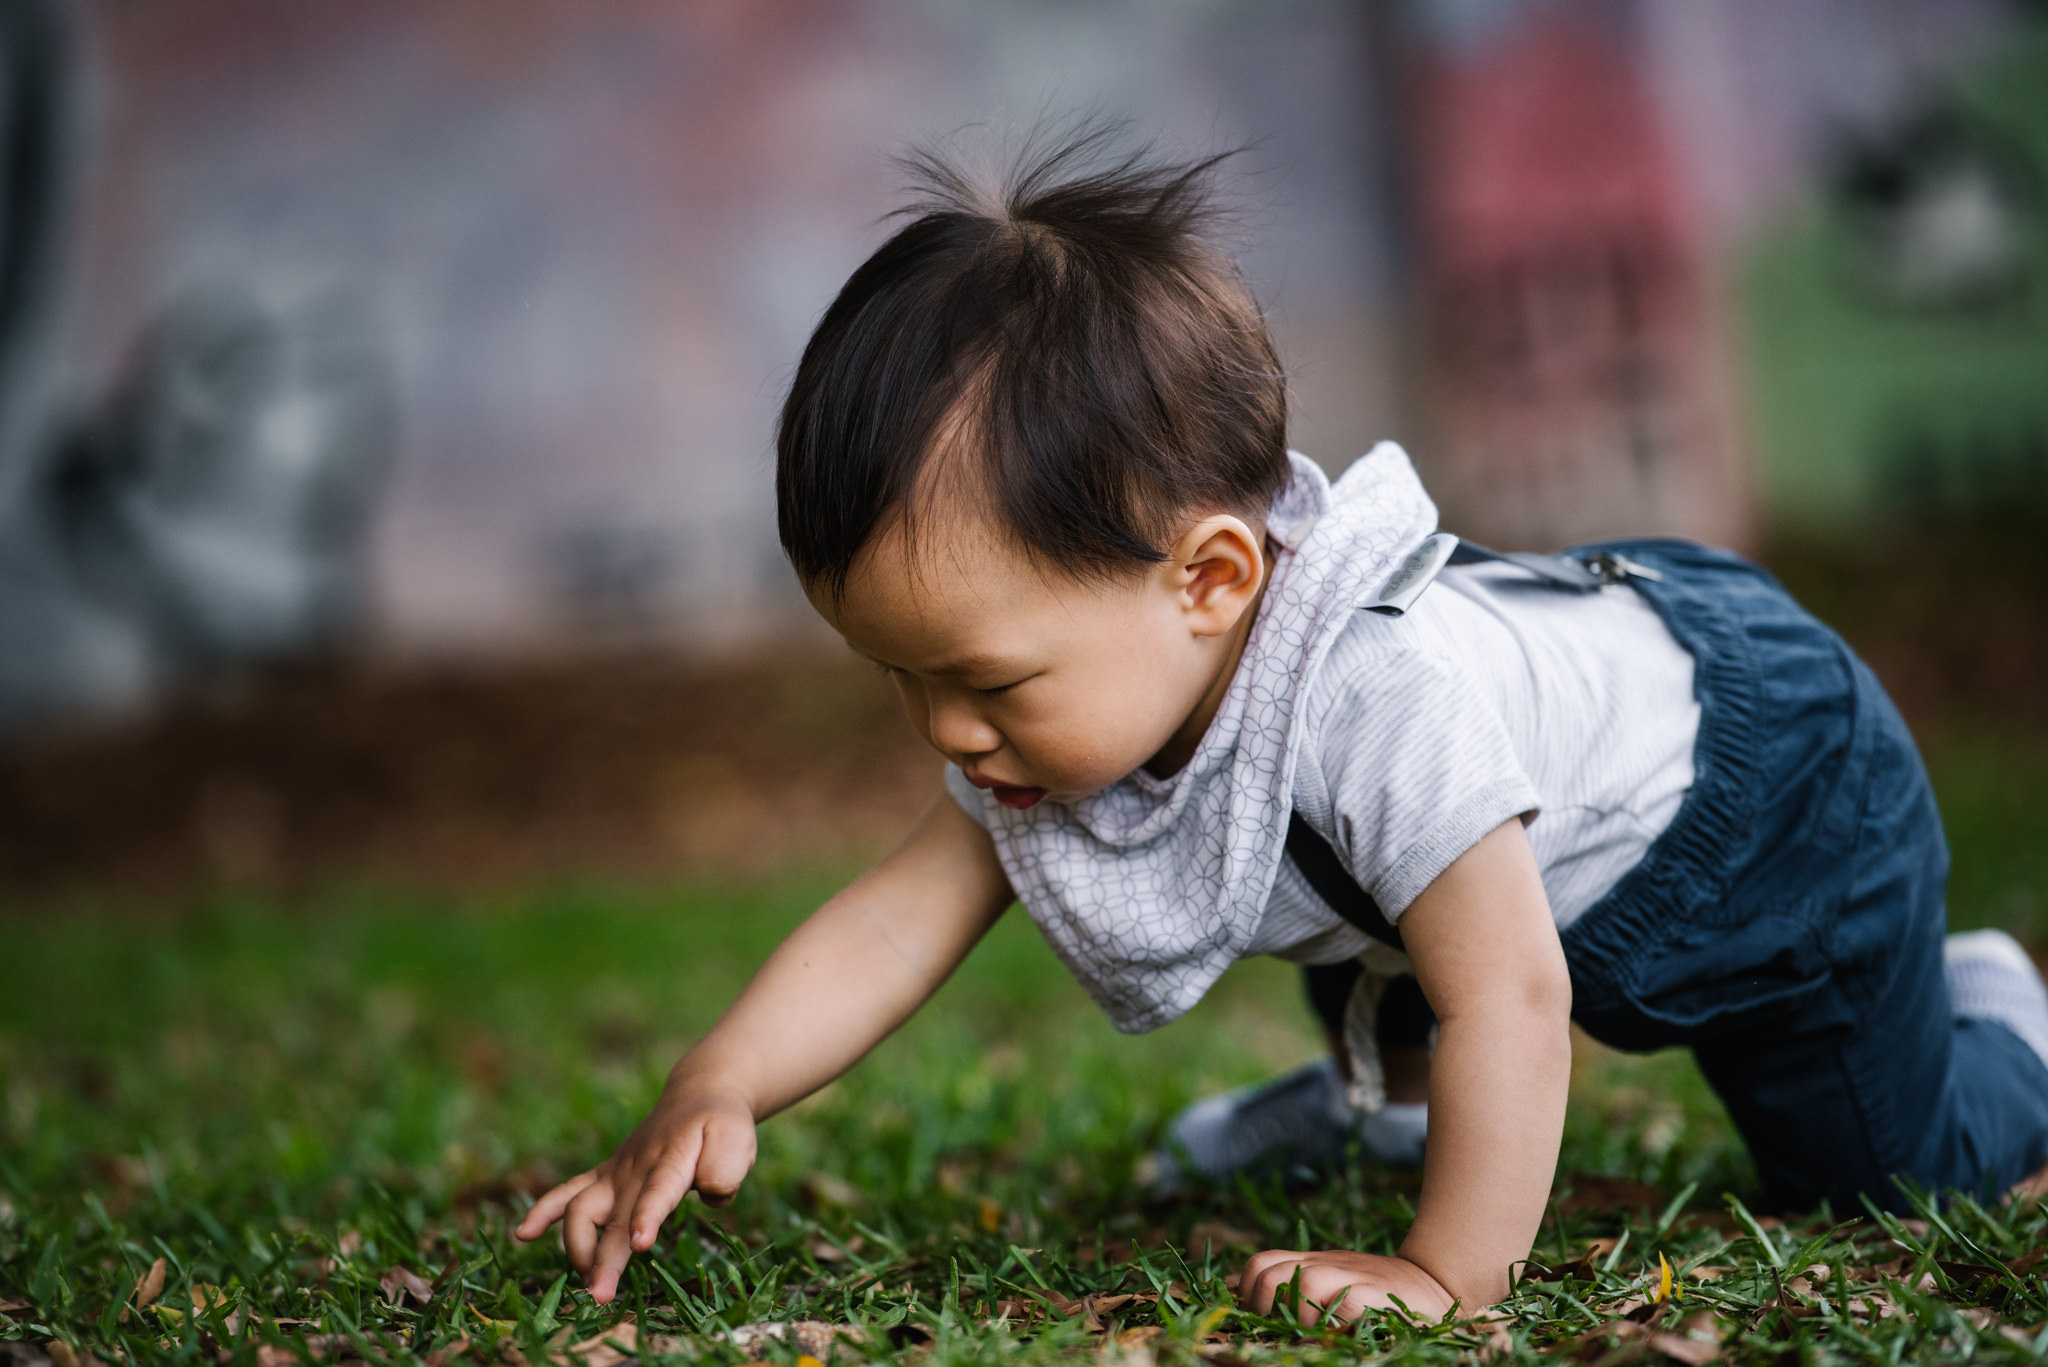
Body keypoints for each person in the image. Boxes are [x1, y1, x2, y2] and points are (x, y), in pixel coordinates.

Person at [514, 132, 2048, 1323]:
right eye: (903, 684)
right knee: (1346, 879)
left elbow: (1514, 992)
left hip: (1769, 793)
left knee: (1877, 1170)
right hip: (1516, 797)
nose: (951, 735)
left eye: (987, 682)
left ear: (1214, 577)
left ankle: (1993, 1015)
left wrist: (1448, 1278)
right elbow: (885, 925)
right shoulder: (1111, 686)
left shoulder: (1379, 703)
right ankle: (1379, 1103)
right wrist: (709, 1087)